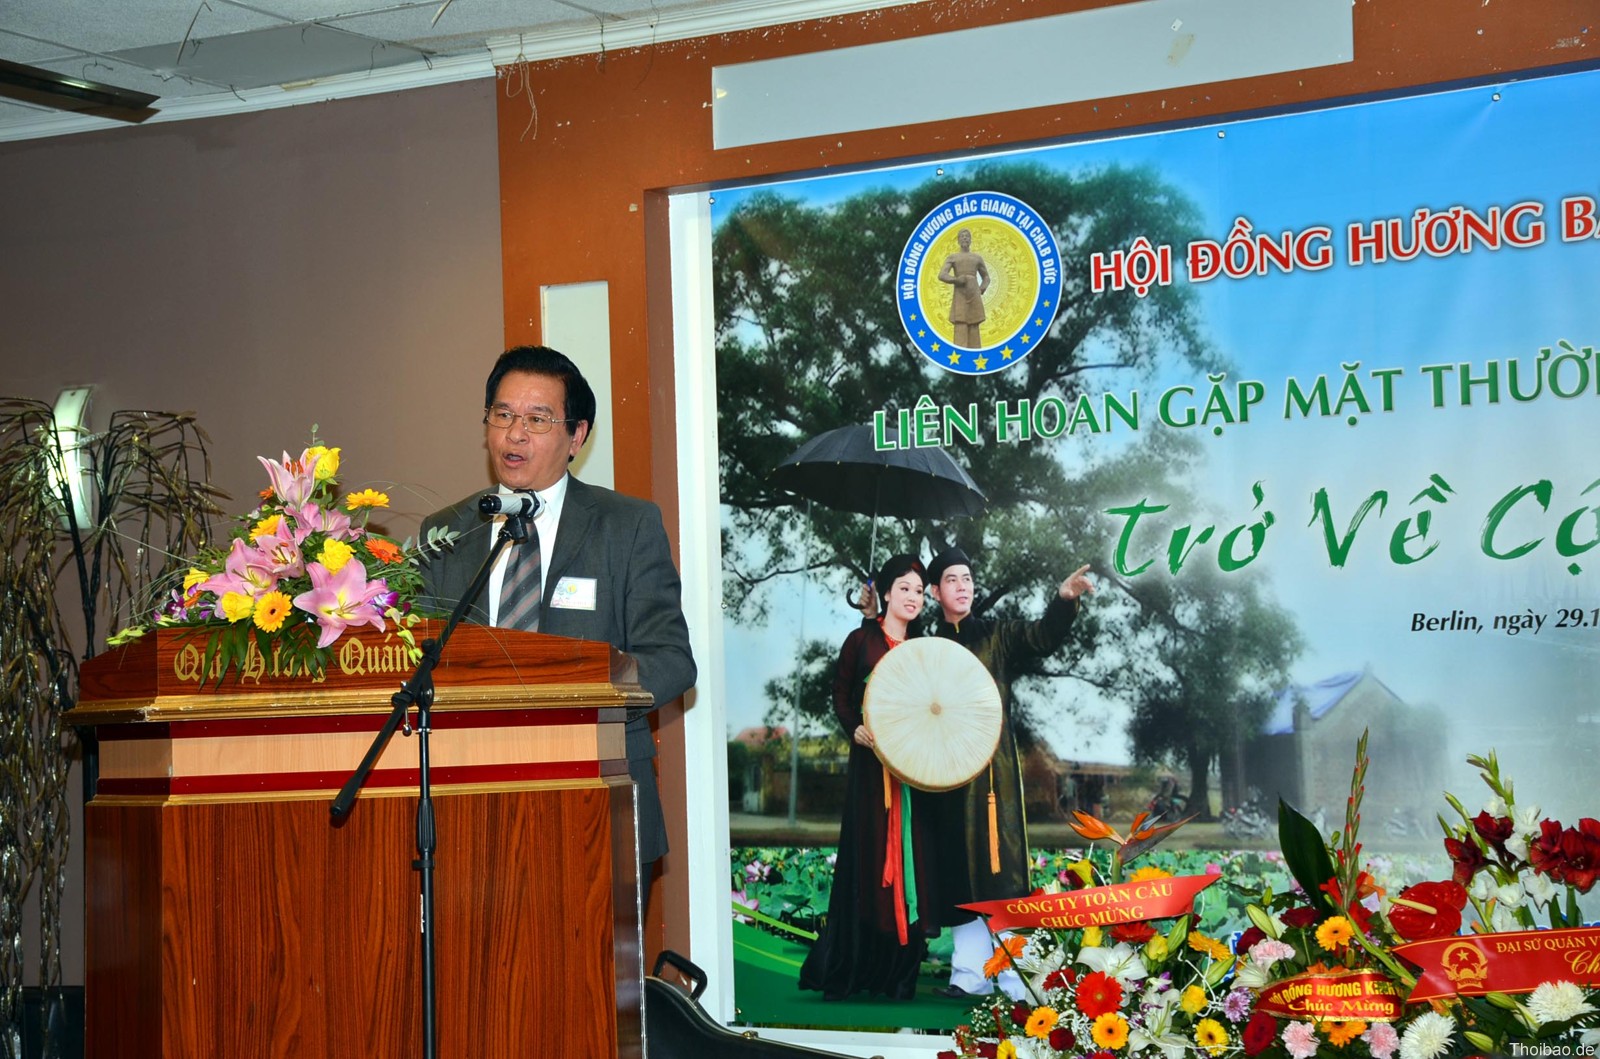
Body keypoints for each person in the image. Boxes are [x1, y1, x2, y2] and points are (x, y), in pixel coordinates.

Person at [418, 345, 696, 920]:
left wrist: (584, 687)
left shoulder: (627, 525)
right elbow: (419, 656)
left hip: (598, 796)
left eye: (538, 419)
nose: (515, 433)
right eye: (502, 415)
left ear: (576, 436)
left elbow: (671, 660)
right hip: (469, 802)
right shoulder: (446, 532)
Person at [920, 546, 1094, 1000]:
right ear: (935, 592)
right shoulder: (927, 648)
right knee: (957, 868)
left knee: (1002, 869)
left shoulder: (997, 635)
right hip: (944, 774)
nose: (963, 587)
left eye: (967, 578)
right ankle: (969, 976)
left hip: (992, 774)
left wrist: (1064, 600)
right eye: (952, 580)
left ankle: (1017, 979)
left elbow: (1042, 636)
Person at [799, 554, 937, 1001]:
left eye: (919, 591)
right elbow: (840, 694)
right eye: (904, 588)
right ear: (887, 593)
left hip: (912, 773)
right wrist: (854, 727)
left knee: (911, 864)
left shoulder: (922, 649)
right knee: (868, 860)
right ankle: (854, 969)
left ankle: (899, 975)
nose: (912, 597)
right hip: (870, 768)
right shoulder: (860, 640)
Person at [937, 227, 989, 348]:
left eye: (967, 236)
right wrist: (955, 280)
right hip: (960, 293)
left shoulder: (977, 258)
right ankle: (961, 351)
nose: (965, 238)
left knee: (974, 322)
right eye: (962, 236)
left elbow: (986, 277)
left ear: (970, 240)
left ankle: (975, 351)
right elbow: (942, 275)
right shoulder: (953, 257)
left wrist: (982, 288)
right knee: (960, 322)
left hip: (974, 292)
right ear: (958, 240)